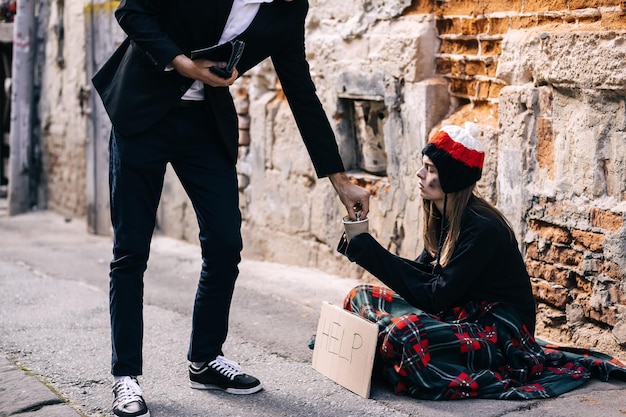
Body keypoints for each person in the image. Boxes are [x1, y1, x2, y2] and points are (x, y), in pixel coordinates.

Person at [92, 1, 370, 416]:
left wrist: (339, 179)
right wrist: (182, 63)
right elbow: (131, 11)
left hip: (204, 123)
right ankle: (126, 377)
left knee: (224, 243)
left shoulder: (288, 9)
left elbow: (300, 90)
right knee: (131, 251)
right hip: (142, 111)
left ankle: (204, 359)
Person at [337, 124, 626, 400]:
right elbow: (423, 276)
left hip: (500, 332)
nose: (420, 174)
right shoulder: (443, 215)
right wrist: (360, 242)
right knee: (359, 296)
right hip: (461, 314)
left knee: (406, 333)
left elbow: (435, 296)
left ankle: (385, 353)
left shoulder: (482, 228)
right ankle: (386, 354)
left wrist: (368, 250)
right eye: (424, 166)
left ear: (452, 178)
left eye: (431, 169)